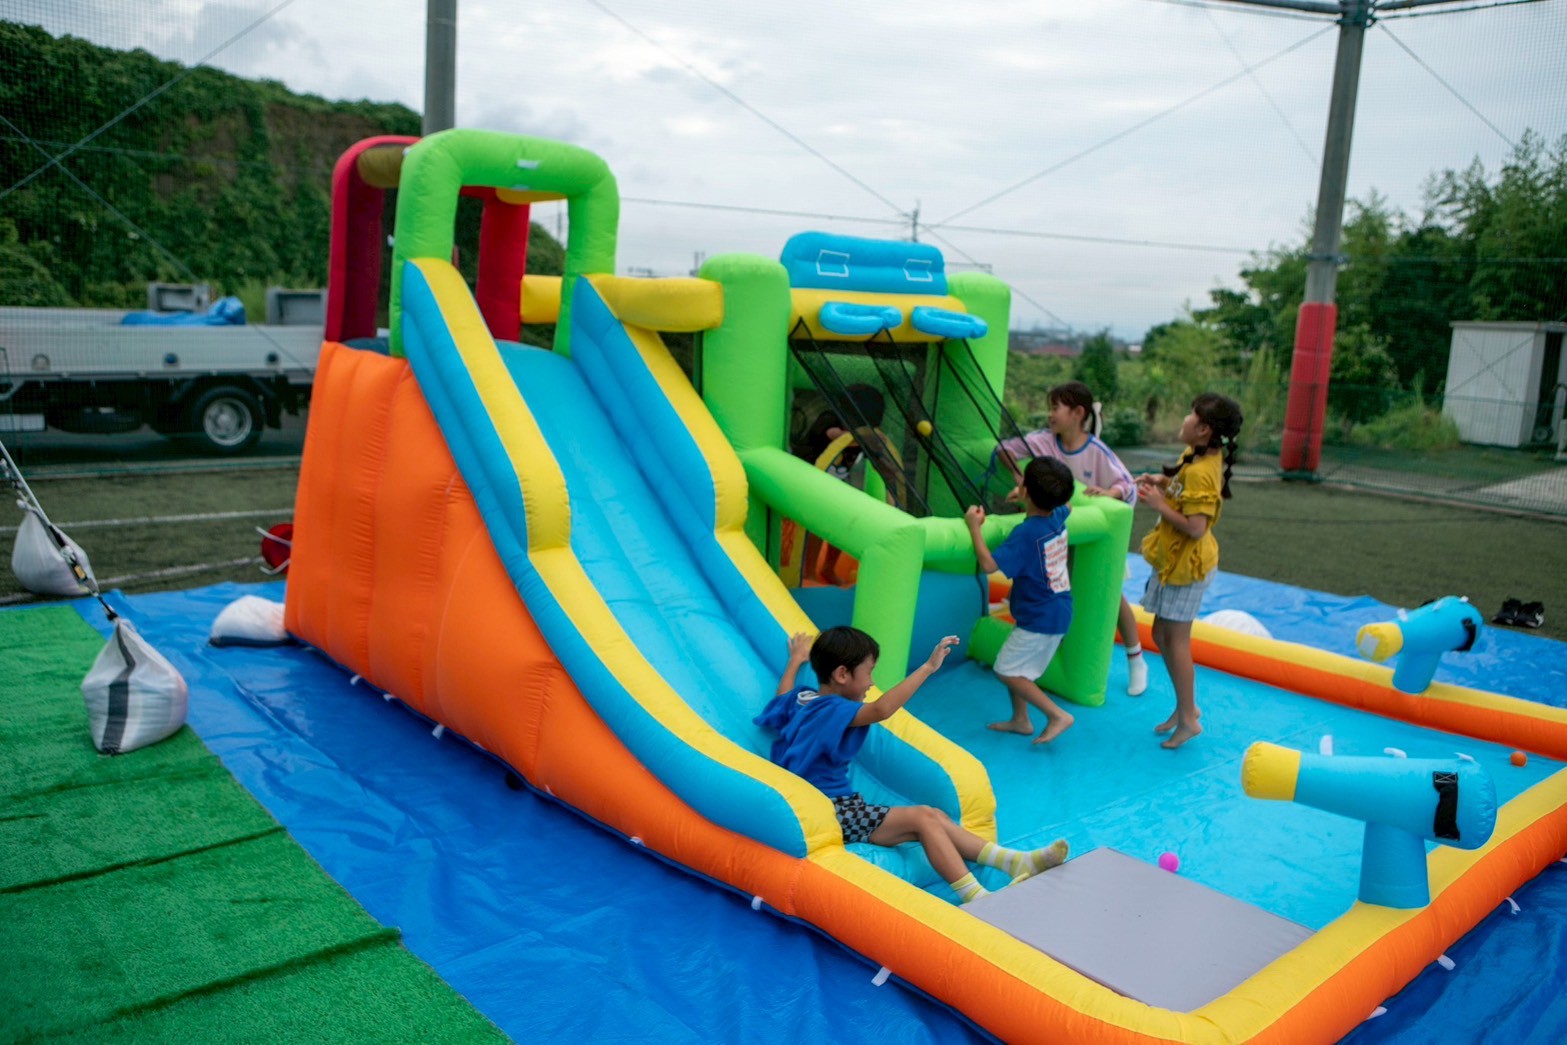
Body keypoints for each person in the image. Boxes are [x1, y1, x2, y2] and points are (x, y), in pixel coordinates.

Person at [755, 626, 1069, 904]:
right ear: (841, 675)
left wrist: (795, 661)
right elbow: (880, 710)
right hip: (835, 812)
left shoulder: (803, 699)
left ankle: (1012, 861)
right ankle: (976, 897)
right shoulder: (834, 708)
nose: (871, 683)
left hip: (834, 808)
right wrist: (928, 668)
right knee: (923, 818)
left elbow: (781, 698)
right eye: (868, 673)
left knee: (935, 816)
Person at [997, 381, 1148, 696]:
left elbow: (1127, 485)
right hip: (1056, 538)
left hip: (1091, 540)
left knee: (1111, 593)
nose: (1049, 414)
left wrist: (1109, 492)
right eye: (1049, 407)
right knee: (1053, 586)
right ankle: (1047, 654)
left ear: (1078, 413)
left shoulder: (1095, 452)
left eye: (1055, 408)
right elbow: (1004, 449)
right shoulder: (1042, 441)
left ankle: (1135, 657)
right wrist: (1021, 479)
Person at [1134, 393, 1243, 750]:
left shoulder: (1201, 471)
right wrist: (1162, 482)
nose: (1184, 419)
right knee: (1161, 634)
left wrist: (1159, 505)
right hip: (1172, 562)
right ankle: (1186, 708)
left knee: (1176, 641)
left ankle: (1188, 720)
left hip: (1187, 567)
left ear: (1204, 429)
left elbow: (1197, 527)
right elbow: (1182, 488)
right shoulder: (1195, 455)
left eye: (1191, 415)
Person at [965, 457, 1077, 745]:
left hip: (1040, 618)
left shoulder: (1026, 533)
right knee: (1019, 667)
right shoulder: (1056, 514)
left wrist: (974, 527)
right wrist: (1027, 498)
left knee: (1006, 670)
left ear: (1025, 490)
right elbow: (1068, 506)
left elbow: (988, 565)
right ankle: (1021, 720)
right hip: (1053, 609)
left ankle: (1056, 715)